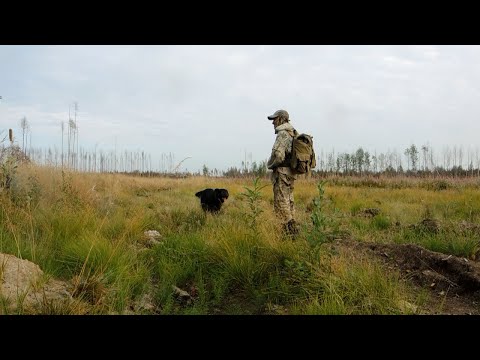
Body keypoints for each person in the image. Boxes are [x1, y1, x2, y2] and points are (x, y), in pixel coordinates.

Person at [266, 109, 299, 237]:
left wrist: (271, 165)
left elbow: (278, 155)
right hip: (290, 173)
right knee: (289, 200)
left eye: (274, 119)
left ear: (281, 119)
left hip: (282, 172)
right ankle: (293, 228)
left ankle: (288, 232)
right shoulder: (293, 133)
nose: (273, 122)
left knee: (281, 202)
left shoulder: (282, 134)